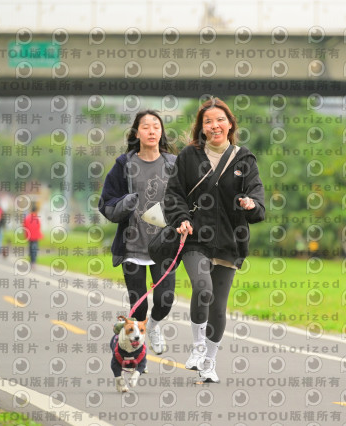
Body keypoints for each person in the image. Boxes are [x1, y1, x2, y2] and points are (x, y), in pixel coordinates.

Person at [164, 97, 265, 383]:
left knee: (218, 306)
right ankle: (197, 347)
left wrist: (250, 204)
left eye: (220, 120)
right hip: (195, 237)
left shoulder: (244, 159)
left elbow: (258, 199)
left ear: (230, 124)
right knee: (202, 287)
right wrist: (181, 218)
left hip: (230, 240)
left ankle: (209, 361)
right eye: (208, 121)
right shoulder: (189, 156)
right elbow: (174, 194)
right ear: (202, 128)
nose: (214, 125)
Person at [99, 110, 177, 365]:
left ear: (161, 132)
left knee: (165, 299)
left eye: (156, 126)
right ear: (136, 133)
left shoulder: (173, 164)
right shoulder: (124, 165)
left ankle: (152, 326)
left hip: (164, 245)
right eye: (146, 126)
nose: (152, 130)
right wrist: (126, 203)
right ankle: (135, 356)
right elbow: (106, 202)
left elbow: (187, 199)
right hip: (132, 246)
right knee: (139, 304)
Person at [23, 203, 42, 268]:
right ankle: (33, 261)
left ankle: (31, 261)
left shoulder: (27, 218)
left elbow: (25, 227)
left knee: (31, 248)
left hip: (29, 236)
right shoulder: (36, 218)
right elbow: (39, 227)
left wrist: (26, 234)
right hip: (35, 236)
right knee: (34, 248)